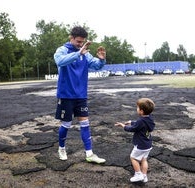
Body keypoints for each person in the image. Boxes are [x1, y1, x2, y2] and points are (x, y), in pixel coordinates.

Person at [53, 26, 106, 164]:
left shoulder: (85, 53)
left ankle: (89, 154)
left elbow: (96, 65)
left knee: (85, 123)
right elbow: (60, 61)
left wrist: (101, 60)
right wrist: (79, 53)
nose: (80, 44)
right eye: (78, 41)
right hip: (66, 95)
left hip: (81, 95)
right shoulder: (62, 50)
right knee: (66, 124)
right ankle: (62, 148)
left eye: (82, 42)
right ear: (71, 38)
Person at [115, 98, 155, 183]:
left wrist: (123, 126)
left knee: (133, 158)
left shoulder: (141, 121)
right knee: (144, 159)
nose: (136, 109)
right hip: (148, 144)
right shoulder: (150, 118)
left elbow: (132, 129)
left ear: (141, 111)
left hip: (140, 145)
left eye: (137, 108)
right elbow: (139, 124)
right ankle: (144, 176)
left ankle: (138, 174)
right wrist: (131, 122)